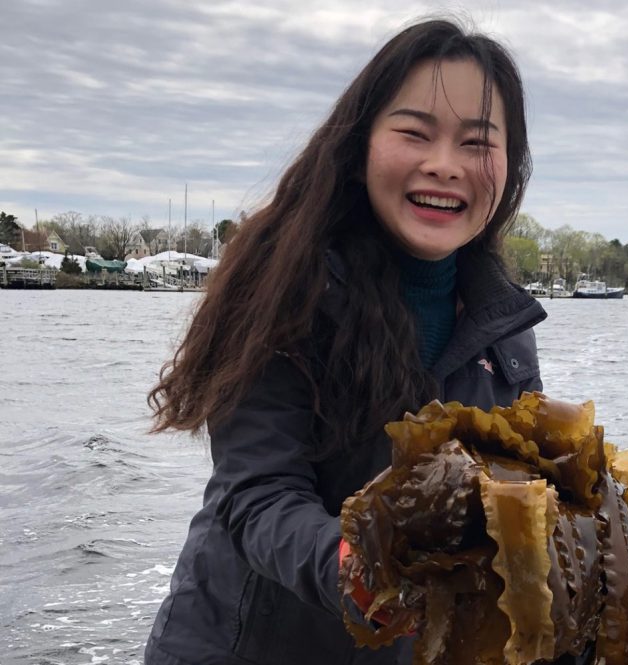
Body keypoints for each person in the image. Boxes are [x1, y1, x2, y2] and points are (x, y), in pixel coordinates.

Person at [144, 19, 545, 665]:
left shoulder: (503, 323)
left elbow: (523, 492)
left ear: (509, 164)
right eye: (414, 132)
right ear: (361, 144)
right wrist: (356, 564)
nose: (444, 164)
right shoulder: (283, 284)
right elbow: (258, 494)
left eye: (477, 142)